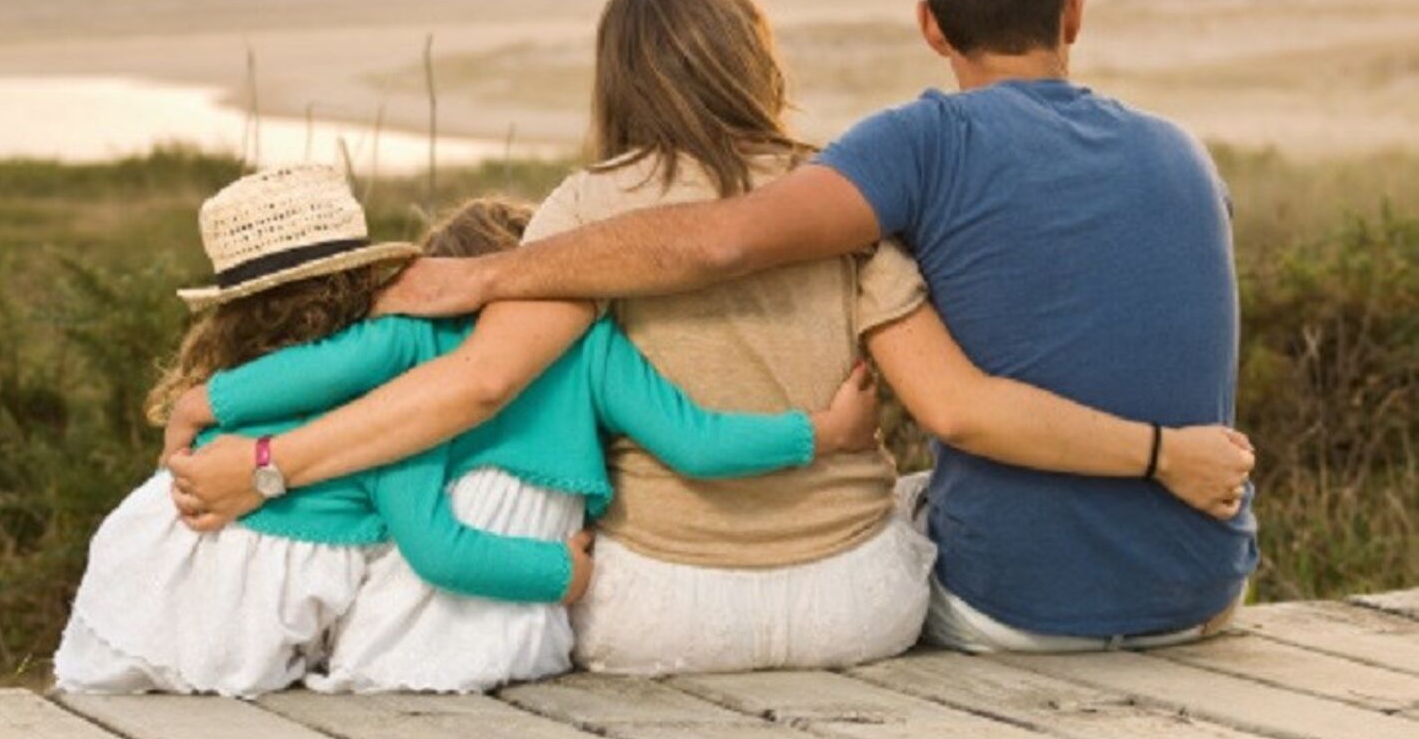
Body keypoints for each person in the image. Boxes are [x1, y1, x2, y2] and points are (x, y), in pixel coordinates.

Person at [166, 0, 1255, 669]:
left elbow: (476, 385)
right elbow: (951, 405)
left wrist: (267, 465)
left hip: (656, 614)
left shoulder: (586, 212)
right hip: (859, 610)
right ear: (757, 64)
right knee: (927, 501)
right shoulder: (835, 196)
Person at [55, 168, 880, 697]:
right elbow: (696, 442)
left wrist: (205, 402)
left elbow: (322, 387)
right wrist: (823, 433)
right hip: (461, 598)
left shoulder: (407, 350)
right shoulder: (589, 344)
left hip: (184, 550)